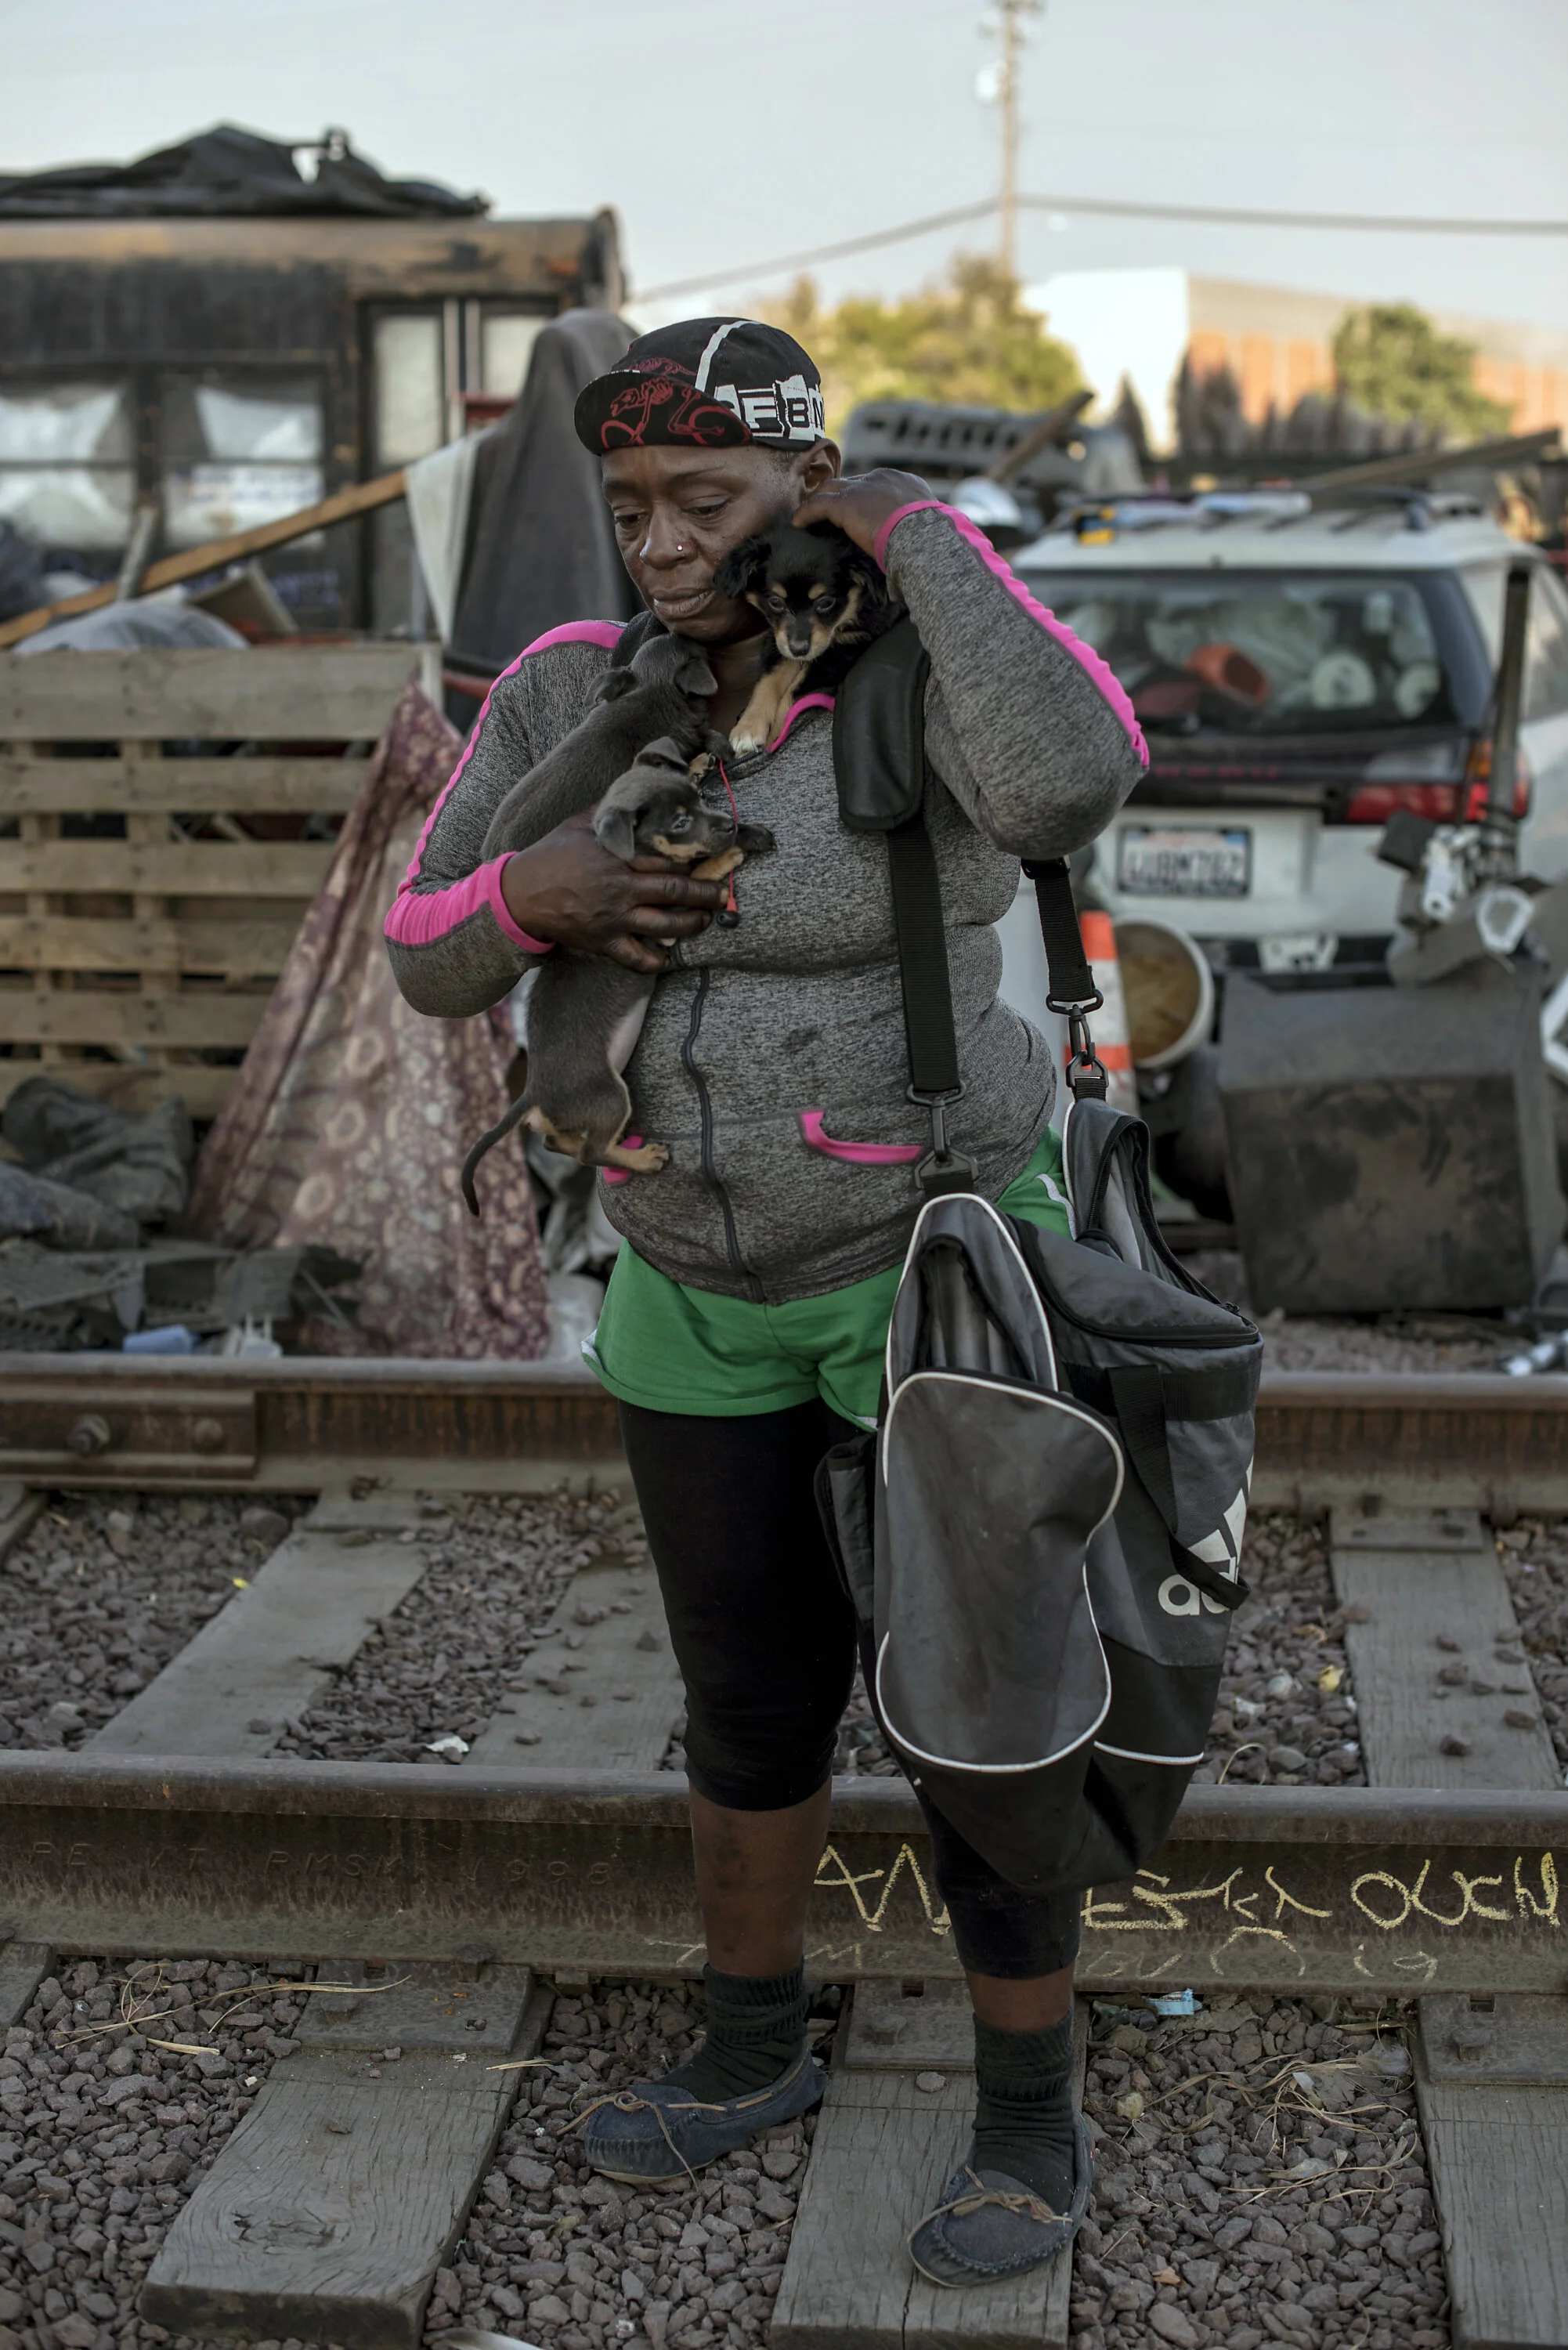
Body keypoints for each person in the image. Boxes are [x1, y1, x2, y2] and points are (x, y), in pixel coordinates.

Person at [385, 318, 1147, 2287]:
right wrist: (536, 896)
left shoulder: (925, 674)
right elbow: (423, 944)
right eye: (628, 505)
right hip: (686, 1283)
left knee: (983, 1708)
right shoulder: (570, 691)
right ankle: (748, 2042)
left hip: (933, 1261)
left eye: (703, 500)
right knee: (744, 1692)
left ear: (805, 485)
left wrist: (916, 534)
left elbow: (1071, 782)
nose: (657, 544)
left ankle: (1028, 2111)